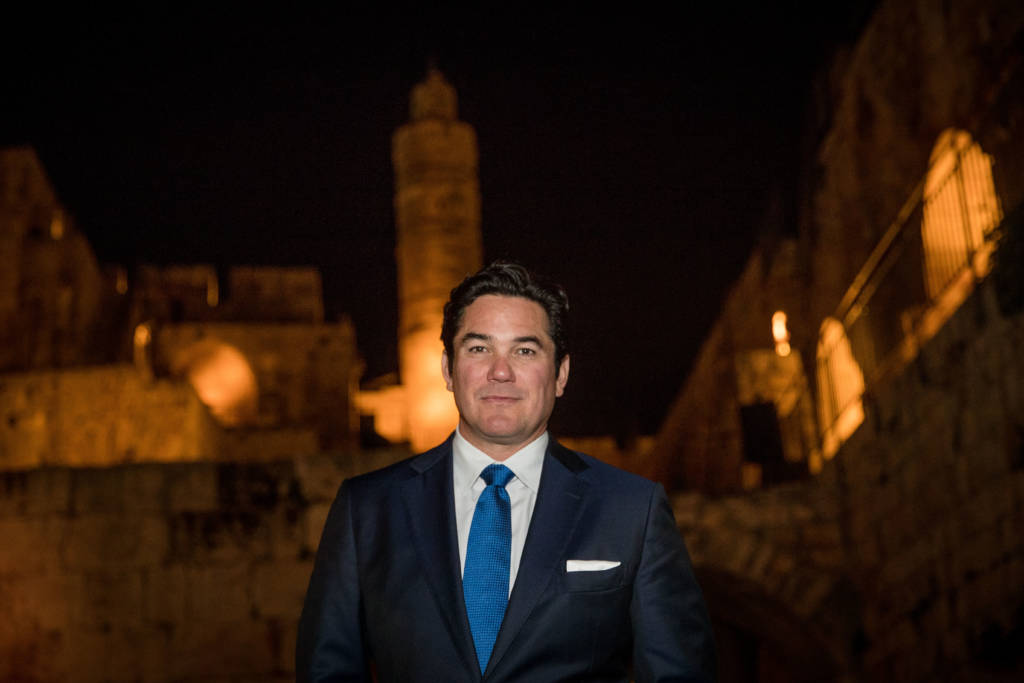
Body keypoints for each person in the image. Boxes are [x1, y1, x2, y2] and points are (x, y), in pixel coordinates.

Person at [297, 262, 715, 682]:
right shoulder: (366, 510)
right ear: (448, 369)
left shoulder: (632, 511)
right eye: (479, 348)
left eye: (525, 350)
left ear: (560, 374)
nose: (501, 371)